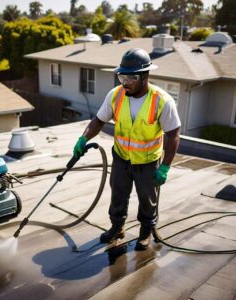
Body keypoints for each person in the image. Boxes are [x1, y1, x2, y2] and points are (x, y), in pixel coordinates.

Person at [73, 48, 181, 251]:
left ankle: (146, 231)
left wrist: (165, 166)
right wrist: (83, 138)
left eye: (131, 77)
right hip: (122, 157)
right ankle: (117, 227)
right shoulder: (115, 95)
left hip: (147, 161)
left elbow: (174, 135)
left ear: (145, 76)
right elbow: (98, 121)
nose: (126, 82)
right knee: (118, 194)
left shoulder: (161, 100)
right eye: (122, 76)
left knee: (147, 199)